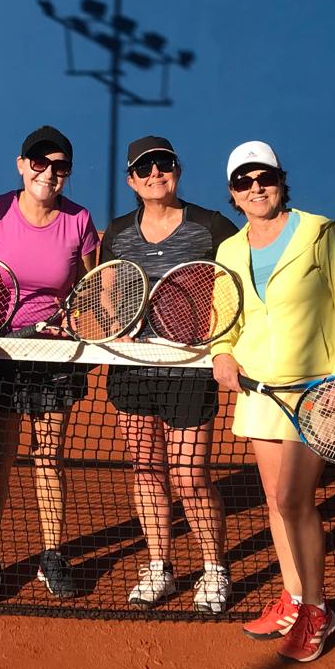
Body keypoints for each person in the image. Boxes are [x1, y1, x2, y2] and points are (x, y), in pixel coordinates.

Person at [209, 140, 335, 662]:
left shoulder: (320, 232)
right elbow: (224, 315)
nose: (256, 188)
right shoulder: (230, 250)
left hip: (314, 391)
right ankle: (295, 597)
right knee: (277, 500)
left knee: (297, 501)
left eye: (264, 178)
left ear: (280, 179)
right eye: (244, 182)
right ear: (233, 193)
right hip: (257, 391)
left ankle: (318, 610)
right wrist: (222, 353)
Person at [100, 135, 238, 613]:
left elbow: (233, 287)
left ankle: (214, 569)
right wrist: (115, 328)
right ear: (131, 181)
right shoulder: (118, 232)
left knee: (190, 475)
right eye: (145, 169)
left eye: (163, 165)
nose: (155, 174)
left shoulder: (212, 227)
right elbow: (108, 290)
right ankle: (159, 565)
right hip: (132, 368)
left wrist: (218, 344)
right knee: (146, 469)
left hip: (188, 367)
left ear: (176, 169)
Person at [0, 126, 99, 603]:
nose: (48, 173)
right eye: (39, 163)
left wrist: (76, 321)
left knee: (50, 456)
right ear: (22, 165)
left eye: (59, 166)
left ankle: (52, 554)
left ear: (68, 173)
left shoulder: (79, 221)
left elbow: (91, 292)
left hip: (53, 356)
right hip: (1, 353)